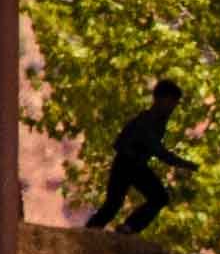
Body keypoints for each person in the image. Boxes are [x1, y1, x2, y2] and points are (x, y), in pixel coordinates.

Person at [84, 78, 199, 234]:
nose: (173, 107)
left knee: (151, 198)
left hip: (134, 165)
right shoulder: (147, 121)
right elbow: (158, 151)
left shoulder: (157, 121)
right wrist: (187, 164)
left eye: (175, 103)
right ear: (160, 99)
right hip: (127, 164)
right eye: (171, 101)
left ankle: (124, 228)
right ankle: (94, 232)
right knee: (115, 204)